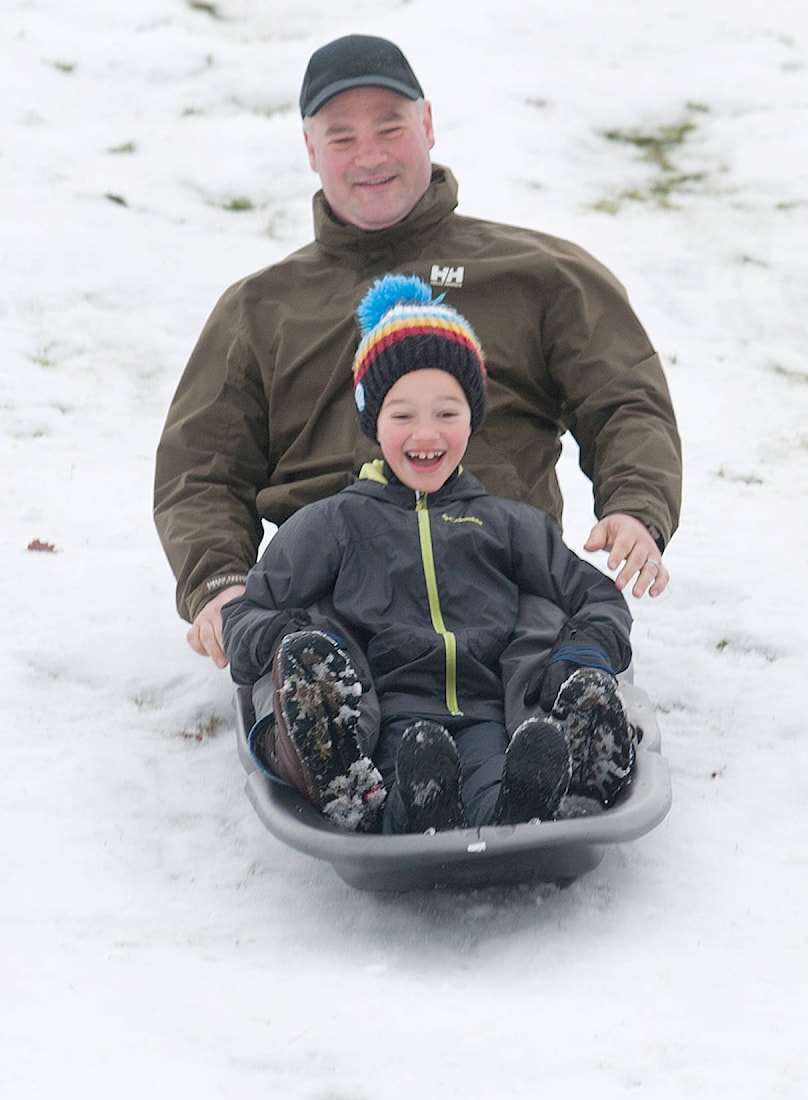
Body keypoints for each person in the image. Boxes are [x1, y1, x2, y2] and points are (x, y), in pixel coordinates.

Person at [153, 33, 682, 731]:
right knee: (311, 678)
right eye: (341, 137)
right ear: (311, 151)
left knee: (548, 681)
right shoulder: (260, 310)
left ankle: (563, 738)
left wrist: (636, 507)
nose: (369, 156)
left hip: (507, 585)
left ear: (427, 125)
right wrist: (218, 583)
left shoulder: (539, 274)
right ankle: (331, 750)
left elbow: (625, 399)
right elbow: (202, 468)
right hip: (334, 598)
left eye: (390, 127)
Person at [221, 275, 637, 834]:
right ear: (373, 419)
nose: (426, 433)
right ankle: (396, 803)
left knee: (502, 782)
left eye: (447, 412)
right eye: (402, 415)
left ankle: (544, 790)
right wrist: (294, 639)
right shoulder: (335, 523)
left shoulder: (507, 523)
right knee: (410, 770)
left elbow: (597, 595)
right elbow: (244, 615)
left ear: (473, 416)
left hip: (488, 713)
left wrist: (582, 652)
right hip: (386, 717)